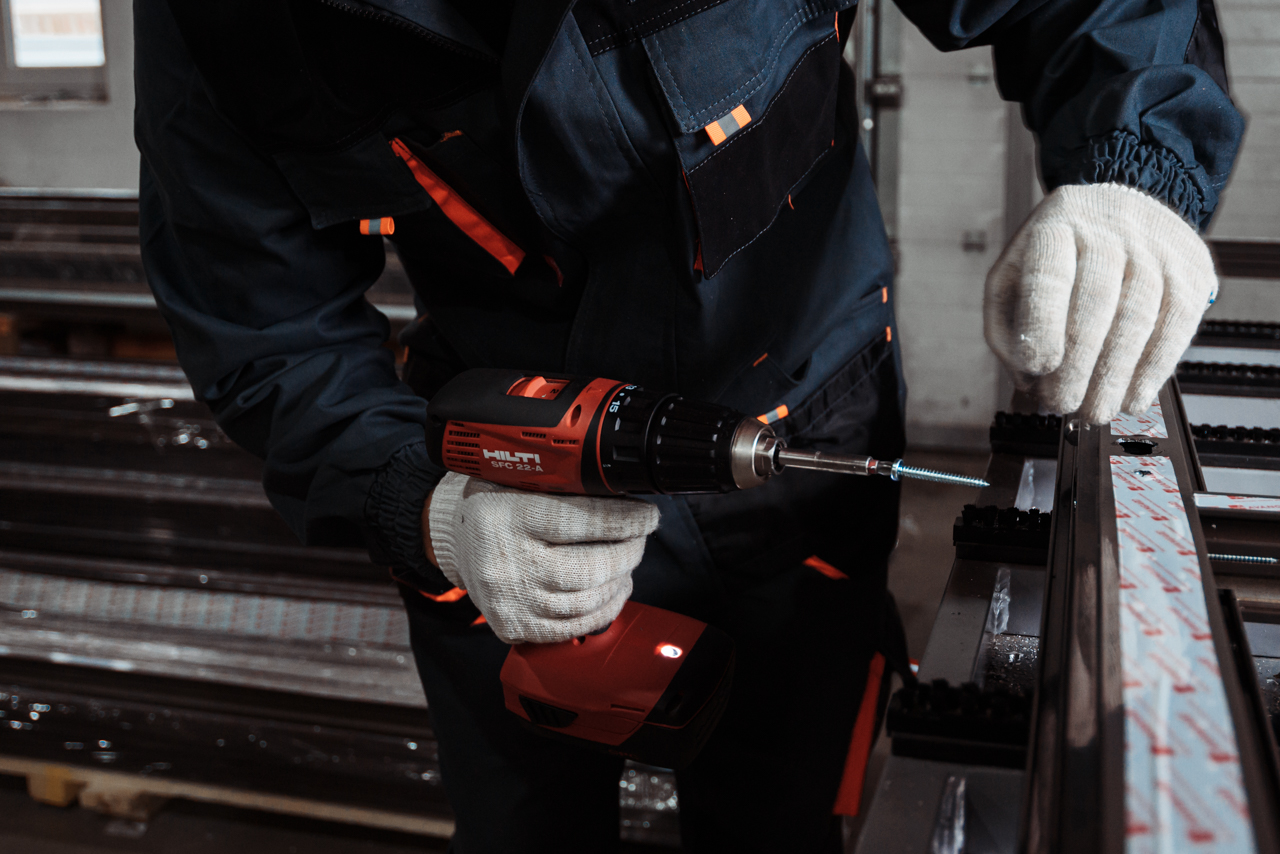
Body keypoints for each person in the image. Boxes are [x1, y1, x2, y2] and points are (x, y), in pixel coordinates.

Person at [133, 0, 1241, 850]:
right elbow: (259, 321)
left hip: (803, 439)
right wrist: (424, 506)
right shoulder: (222, 20)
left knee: (783, 815)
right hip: (506, 489)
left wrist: (1136, 174)